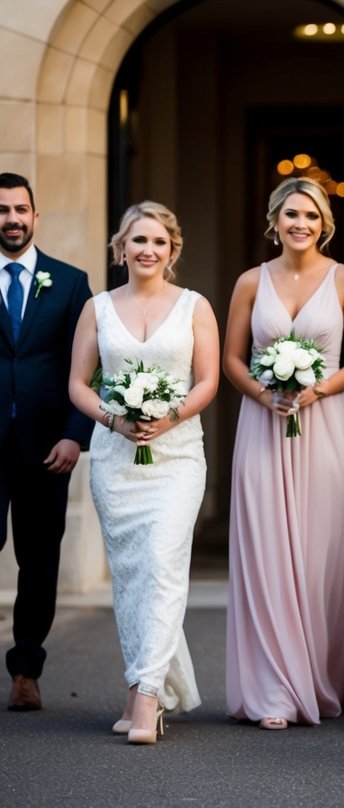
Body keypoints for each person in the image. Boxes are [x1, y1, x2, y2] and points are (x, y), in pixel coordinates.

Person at [223, 177, 344, 729]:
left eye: (312, 216)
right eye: (292, 214)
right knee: (267, 550)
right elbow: (232, 360)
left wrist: (316, 390)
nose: (301, 224)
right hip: (263, 428)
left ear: (325, 224)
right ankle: (274, 689)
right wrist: (267, 395)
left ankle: (322, 671)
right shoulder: (250, 282)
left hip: (326, 425)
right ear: (275, 221)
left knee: (319, 555)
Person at [67, 202, 219, 744]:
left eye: (158, 241)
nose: (148, 250)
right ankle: (140, 690)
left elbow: (207, 380)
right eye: (138, 241)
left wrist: (169, 417)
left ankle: (150, 694)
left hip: (177, 456)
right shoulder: (98, 308)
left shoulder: (195, 306)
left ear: (172, 250)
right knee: (133, 576)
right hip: (115, 458)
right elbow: (79, 384)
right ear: (121, 249)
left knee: (161, 562)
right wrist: (114, 419)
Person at [0, 172, 92, 712]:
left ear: (36, 217)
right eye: (2, 210)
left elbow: (88, 365)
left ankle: (26, 671)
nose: (11, 218)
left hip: (46, 447)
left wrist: (75, 436)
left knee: (38, 560)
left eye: (19, 209)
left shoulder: (70, 281)